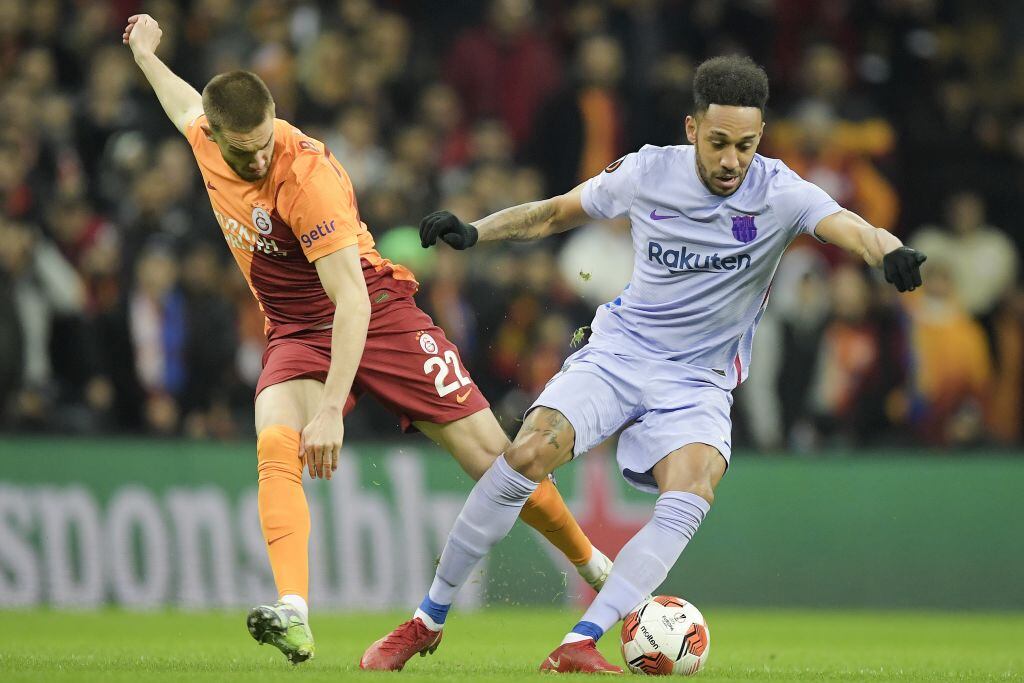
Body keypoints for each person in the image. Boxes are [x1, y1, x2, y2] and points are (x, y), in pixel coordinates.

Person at [362, 55, 926, 673]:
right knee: (526, 454)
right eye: (718, 143)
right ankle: (426, 620)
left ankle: (580, 642)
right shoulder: (647, 171)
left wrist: (890, 251)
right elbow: (554, 213)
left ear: (760, 137)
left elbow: (852, 228)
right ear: (692, 129)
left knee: (694, 485)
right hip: (621, 353)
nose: (731, 160)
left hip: (699, 380)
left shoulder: (780, 191)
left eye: (745, 145)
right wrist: (474, 232)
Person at [121, 14, 612, 665]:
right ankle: (294, 611)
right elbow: (183, 101)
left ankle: (597, 567)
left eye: (265, 142)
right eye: (244, 150)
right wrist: (146, 55)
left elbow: (350, 300)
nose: (259, 158)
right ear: (214, 137)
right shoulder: (205, 136)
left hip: (375, 313)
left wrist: (331, 409)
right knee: (274, 438)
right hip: (297, 330)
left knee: (495, 459)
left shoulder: (306, 176)